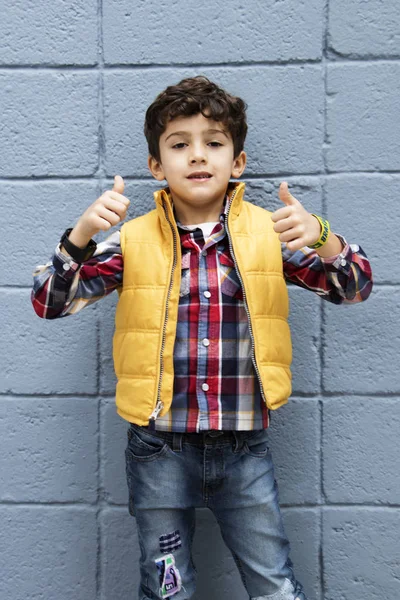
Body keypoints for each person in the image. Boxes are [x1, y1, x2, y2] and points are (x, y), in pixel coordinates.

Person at [31, 75, 373, 600]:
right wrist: (79, 239)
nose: (197, 155)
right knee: (169, 587)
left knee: (274, 583)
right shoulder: (132, 240)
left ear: (237, 162)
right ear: (156, 166)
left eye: (213, 143)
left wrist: (324, 238)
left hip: (245, 446)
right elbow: (49, 303)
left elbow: (353, 288)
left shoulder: (269, 234)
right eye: (179, 144)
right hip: (158, 447)